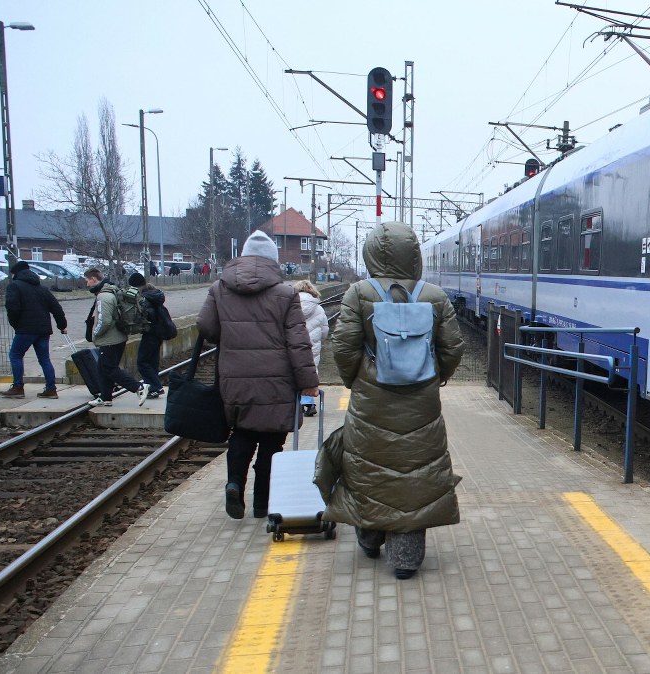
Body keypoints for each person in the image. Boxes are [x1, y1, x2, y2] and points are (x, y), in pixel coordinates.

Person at [316, 221, 464, 580]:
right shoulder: (434, 296)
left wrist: (359, 379)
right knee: (417, 473)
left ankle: (369, 537)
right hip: (422, 405)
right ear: (414, 255)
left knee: (367, 469)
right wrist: (433, 376)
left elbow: (344, 347)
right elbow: (452, 349)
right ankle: (406, 558)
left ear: (370, 254)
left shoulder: (357, 293)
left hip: (370, 401)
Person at [197, 230, 318, 520]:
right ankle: (262, 503)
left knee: (242, 433)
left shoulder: (219, 289)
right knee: (272, 442)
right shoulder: (287, 294)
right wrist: (309, 383)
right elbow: (298, 343)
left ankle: (234, 484)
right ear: (273, 261)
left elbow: (206, 328)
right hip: (276, 380)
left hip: (235, 377)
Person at [1, 260, 68, 399]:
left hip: (25, 329)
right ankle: (51, 389)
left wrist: (15, 325)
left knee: (15, 355)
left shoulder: (14, 286)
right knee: (44, 359)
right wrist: (62, 326)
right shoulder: (42, 289)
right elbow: (57, 308)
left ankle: (18, 387)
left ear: (16, 273)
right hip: (43, 330)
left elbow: (12, 308)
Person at [84, 268, 149, 407]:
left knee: (109, 368)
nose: (87, 285)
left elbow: (105, 321)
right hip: (118, 337)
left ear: (94, 279)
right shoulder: (113, 290)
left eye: (87, 281)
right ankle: (105, 397)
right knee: (102, 368)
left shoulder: (103, 296)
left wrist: (95, 333)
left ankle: (139, 387)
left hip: (110, 340)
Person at [130, 272, 169, 399]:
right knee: (152, 361)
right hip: (159, 332)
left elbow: (146, 316)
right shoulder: (154, 294)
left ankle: (156, 387)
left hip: (151, 332)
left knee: (142, 362)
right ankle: (152, 387)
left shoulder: (145, 299)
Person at [294, 279, 329, 417]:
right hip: (312, 345)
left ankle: (297, 402)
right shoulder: (319, 308)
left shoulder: (290, 306)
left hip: (294, 344)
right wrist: (317, 340)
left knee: (294, 371)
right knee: (311, 371)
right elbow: (325, 330)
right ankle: (308, 402)